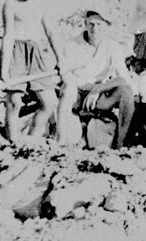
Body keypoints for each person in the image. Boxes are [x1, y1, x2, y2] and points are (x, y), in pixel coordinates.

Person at [0, 0, 62, 142]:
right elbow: (8, 35)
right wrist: (4, 70)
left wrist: (61, 59)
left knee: (49, 102)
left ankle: (32, 137)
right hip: (16, 53)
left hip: (35, 53)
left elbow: (51, 33)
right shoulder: (11, 5)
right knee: (15, 101)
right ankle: (12, 141)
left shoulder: (41, 4)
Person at [56, 10, 135, 149]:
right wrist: (81, 86)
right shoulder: (72, 44)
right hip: (77, 94)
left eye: (99, 24)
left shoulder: (113, 46)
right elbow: (65, 74)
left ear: (106, 26)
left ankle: (121, 143)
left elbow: (123, 77)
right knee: (68, 87)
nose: (95, 29)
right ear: (85, 24)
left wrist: (98, 89)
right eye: (91, 24)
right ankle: (60, 140)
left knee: (126, 92)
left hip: (98, 95)